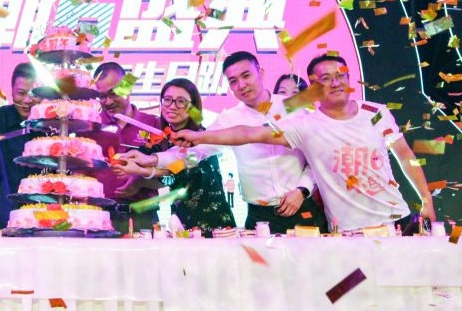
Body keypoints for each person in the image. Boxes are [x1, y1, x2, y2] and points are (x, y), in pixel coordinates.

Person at [172, 54, 436, 233]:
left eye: (340, 75)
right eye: (325, 79)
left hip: (394, 219)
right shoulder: (305, 124)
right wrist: (198, 137)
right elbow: (249, 133)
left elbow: (405, 156)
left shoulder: (376, 112)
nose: (335, 83)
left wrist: (426, 201)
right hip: (346, 229)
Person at [117, 51, 325, 234]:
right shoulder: (228, 119)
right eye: (233, 81)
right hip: (259, 216)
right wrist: (152, 159)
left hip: (302, 207)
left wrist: (302, 190)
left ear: (260, 73)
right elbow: (194, 153)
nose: (241, 85)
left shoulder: (295, 107)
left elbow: (317, 157)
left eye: (246, 76)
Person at [113, 78, 235, 234]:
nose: (172, 106)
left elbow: (179, 170)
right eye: (167, 100)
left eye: (181, 101)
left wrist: (142, 171)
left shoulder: (200, 140)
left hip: (215, 226)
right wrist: (131, 169)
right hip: (180, 224)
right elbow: (165, 179)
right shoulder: (162, 140)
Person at [86, 61, 162, 234]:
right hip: (99, 216)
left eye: (113, 94)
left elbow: (170, 176)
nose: (108, 102)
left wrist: (142, 181)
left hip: (143, 217)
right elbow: (80, 176)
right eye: (102, 96)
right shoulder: (90, 126)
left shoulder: (152, 124)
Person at [0, 62, 42, 230]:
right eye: (21, 93)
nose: (27, 100)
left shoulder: (51, 125)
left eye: (34, 94)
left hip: (40, 218)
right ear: (11, 91)